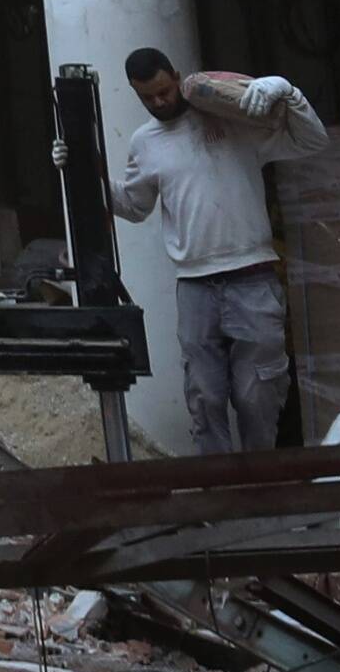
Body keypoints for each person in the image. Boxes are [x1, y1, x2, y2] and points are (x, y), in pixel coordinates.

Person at [108, 46, 327, 456]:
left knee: (257, 395)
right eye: (147, 98)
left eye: (164, 91)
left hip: (252, 276)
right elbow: (135, 206)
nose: (159, 102)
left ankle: (260, 486)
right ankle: (219, 496)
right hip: (194, 285)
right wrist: (86, 174)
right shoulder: (145, 142)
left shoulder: (233, 120)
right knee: (206, 398)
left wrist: (287, 92)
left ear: (177, 76)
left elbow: (312, 140)